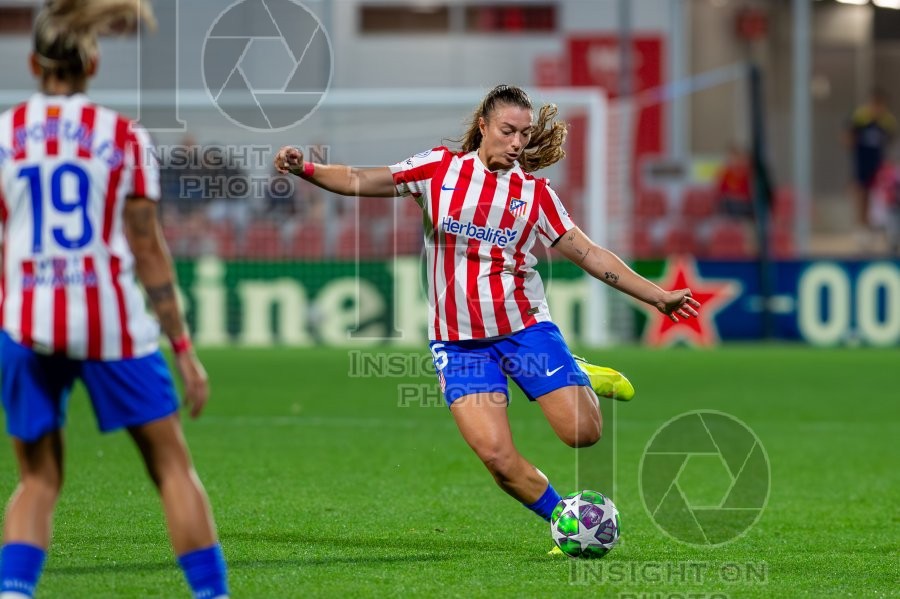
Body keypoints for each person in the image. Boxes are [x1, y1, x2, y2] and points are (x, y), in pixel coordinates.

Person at [275, 84, 700, 545]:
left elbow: (589, 253)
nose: (517, 142)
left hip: (523, 330)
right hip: (457, 344)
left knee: (583, 434)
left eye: (524, 133)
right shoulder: (438, 169)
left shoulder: (533, 194)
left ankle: (576, 369)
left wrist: (656, 296)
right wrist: (308, 170)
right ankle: (567, 521)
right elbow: (362, 179)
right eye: (508, 131)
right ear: (483, 126)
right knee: (497, 458)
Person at [0, 1, 229, 597]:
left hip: (27, 321)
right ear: (93, 62)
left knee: (38, 480)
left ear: (33, 62)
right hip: (111, 323)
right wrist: (183, 348)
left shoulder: (3, 135)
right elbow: (147, 247)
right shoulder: (123, 138)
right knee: (172, 467)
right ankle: (211, 594)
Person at [846, 89, 897, 247]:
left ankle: (882, 232)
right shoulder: (860, 118)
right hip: (862, 164)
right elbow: (848, 136)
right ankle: (862, 231)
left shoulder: (886, 120)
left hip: (879, 167)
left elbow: (891, 138)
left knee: (880, 200)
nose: (877, 109)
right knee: (862, 197)